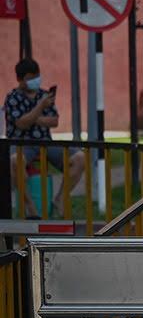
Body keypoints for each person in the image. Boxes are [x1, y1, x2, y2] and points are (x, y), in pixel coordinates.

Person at [4, 58, 84, 218]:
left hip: (46, 142)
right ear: (20, 79)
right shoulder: (12, 98)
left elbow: (54, 121)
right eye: (30, 77)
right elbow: (21, 124)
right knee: (14, 161)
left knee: (80, 158)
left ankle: (60, 199)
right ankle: (31, 208)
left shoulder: (44, 95)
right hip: (22, 144)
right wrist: (40, 108)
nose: (35, 80)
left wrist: (30, 117)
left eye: (37, 76)